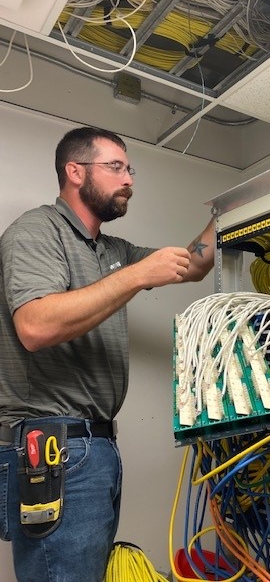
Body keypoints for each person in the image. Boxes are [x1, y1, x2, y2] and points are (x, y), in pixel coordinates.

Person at [0, 126, 215, 582]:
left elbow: (193, 263)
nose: (128, 179)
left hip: (93, 448)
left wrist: (229, 212)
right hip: (53, 447)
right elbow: (35, 325)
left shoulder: (113, 251)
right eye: (115, 167)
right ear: (75, 172)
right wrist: (136, 277)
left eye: (129, 168)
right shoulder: (37, 231)